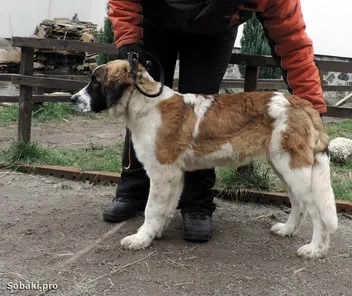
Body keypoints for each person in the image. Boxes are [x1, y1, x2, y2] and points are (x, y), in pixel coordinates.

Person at [103, 0, 327, 242]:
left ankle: (196, 203)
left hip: (215, 28)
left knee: (205, 111)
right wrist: (129, 41)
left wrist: (314, 110)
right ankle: (133, 191)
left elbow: (293, 43)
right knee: (143, 105)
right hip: (155, 18)